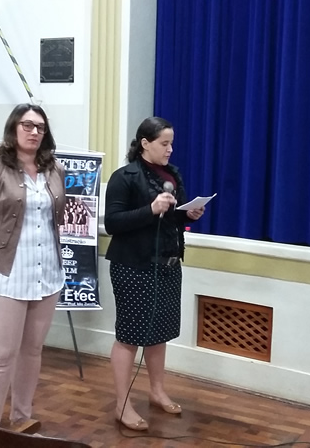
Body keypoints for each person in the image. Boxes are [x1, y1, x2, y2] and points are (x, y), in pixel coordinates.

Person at [0, 103, 66, 427]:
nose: (34, 132)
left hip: (47, 273)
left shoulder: (54, 169)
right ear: (13, 129)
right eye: (27, 125)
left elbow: (56, 218)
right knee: (1, 355)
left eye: (40, 127)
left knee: (32, 351)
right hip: (7, 275)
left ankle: (22, 421)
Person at [104, 117, 205, 431]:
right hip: (134, 267)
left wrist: (188, 215)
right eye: (164, 143)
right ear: (145, 143)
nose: (170, 149)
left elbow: (170, 220)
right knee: (130, 336)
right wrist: (150, 209)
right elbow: (113, 223)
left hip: (167, 265)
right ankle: (122, 404)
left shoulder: (171, 175)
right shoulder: (125, 177)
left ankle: (157, 390)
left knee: (158, 333)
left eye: (171, 143)